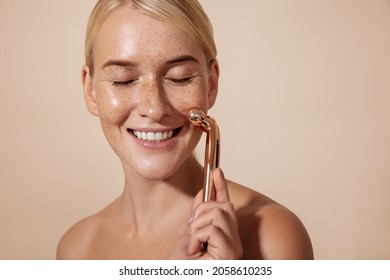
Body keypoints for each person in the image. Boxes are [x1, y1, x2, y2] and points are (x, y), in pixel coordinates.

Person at [57, 0, 313, 260]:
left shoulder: (273, 239)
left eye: (180, 77)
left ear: (211, 85)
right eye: (124, 80)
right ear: (90, 90)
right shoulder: (76, 250)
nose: (155, 108)